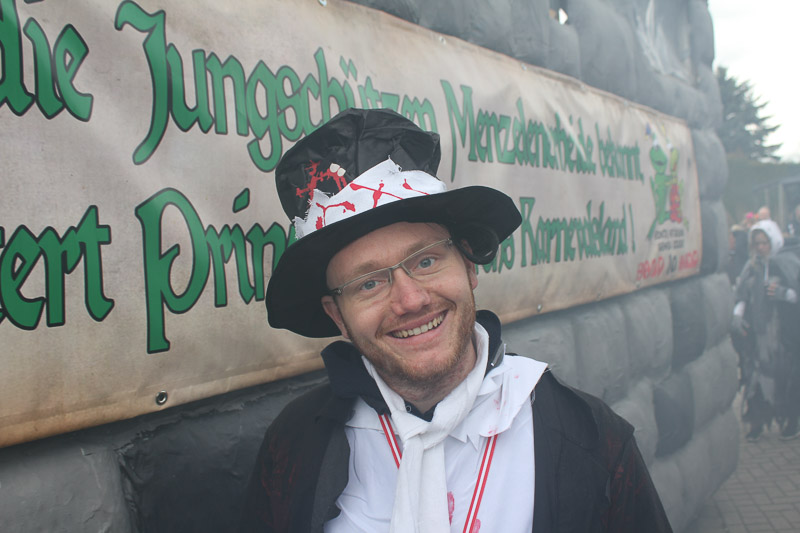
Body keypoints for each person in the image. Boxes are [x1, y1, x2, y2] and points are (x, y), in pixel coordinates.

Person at [239, 108, 672, 532]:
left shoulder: (591, 440)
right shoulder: (293, 446)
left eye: (426, 260)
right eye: (368, 283)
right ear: (336, 314)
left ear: (468, 265)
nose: (410, 301)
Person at [732, 220, 800, 442]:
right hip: (758, 334)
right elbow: (742, 295)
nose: (761, 247)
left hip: (783, 335)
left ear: (773, 241)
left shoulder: (788, 263)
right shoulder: (751, 267)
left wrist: (784, 293)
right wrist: (737, 315)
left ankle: (791, 421)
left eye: (764, 242)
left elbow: (796, 294)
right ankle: (757, 422)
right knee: (756, 377)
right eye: (757, 243)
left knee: (785, 378)